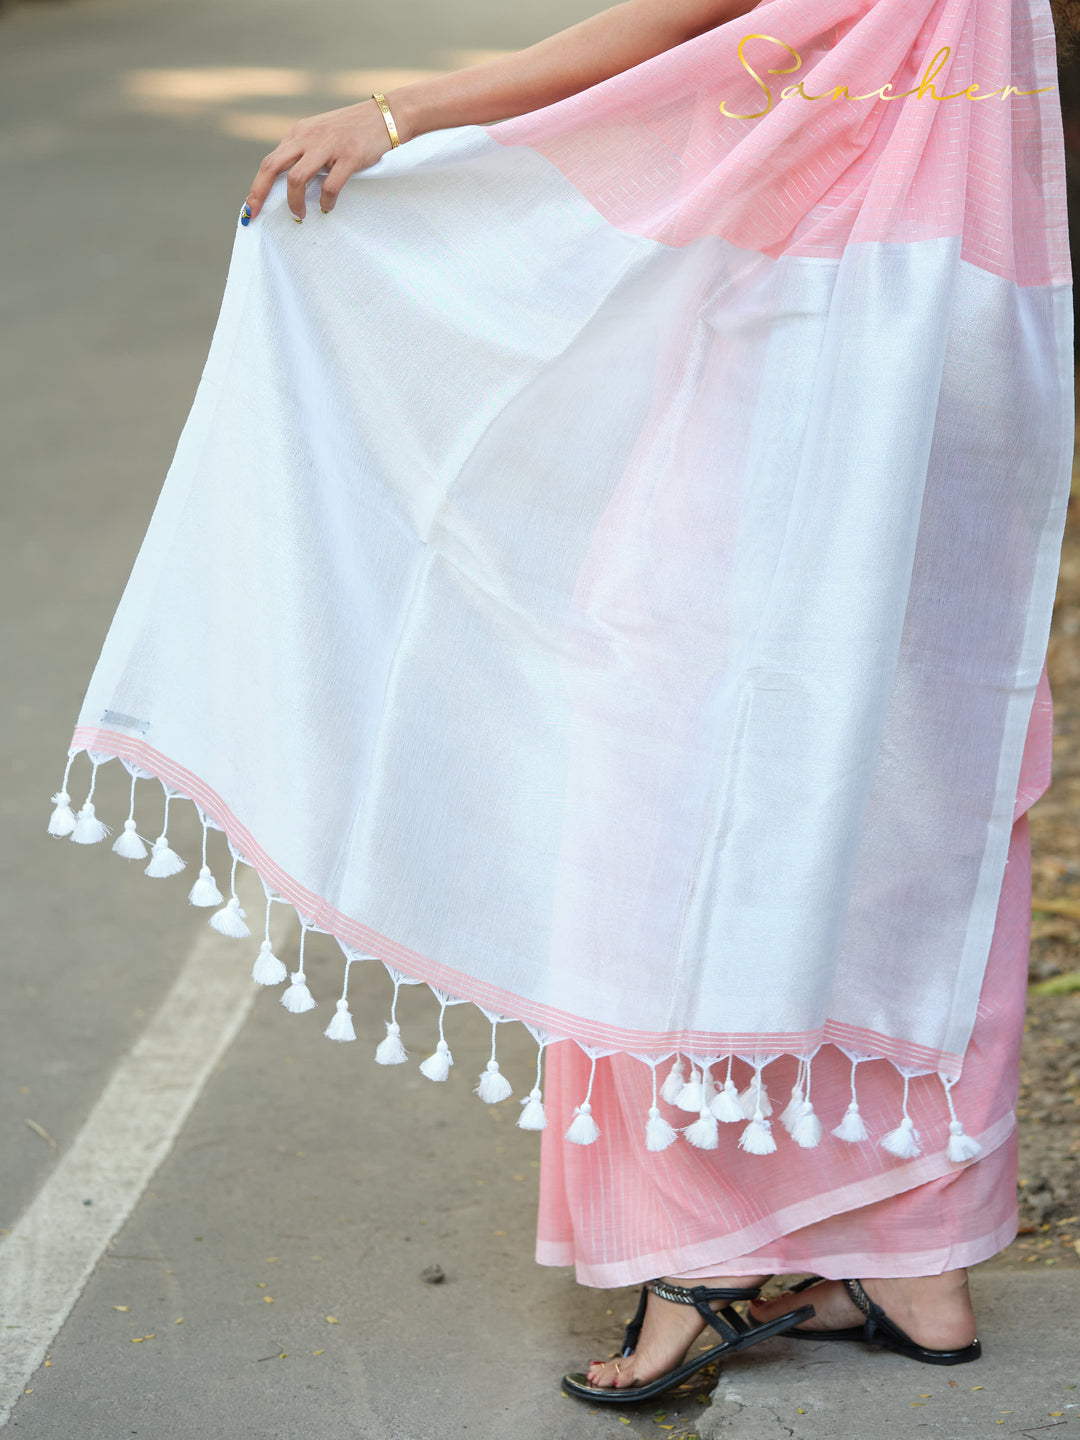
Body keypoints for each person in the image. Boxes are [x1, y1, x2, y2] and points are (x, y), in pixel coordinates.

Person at [54, 0, 1076, 1406]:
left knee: (668, 778)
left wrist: (411, 114)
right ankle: (914, 1258)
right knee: (908, 780)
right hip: (975, 318)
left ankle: (707, 1257)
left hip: (814, 311)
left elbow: (689, 20)